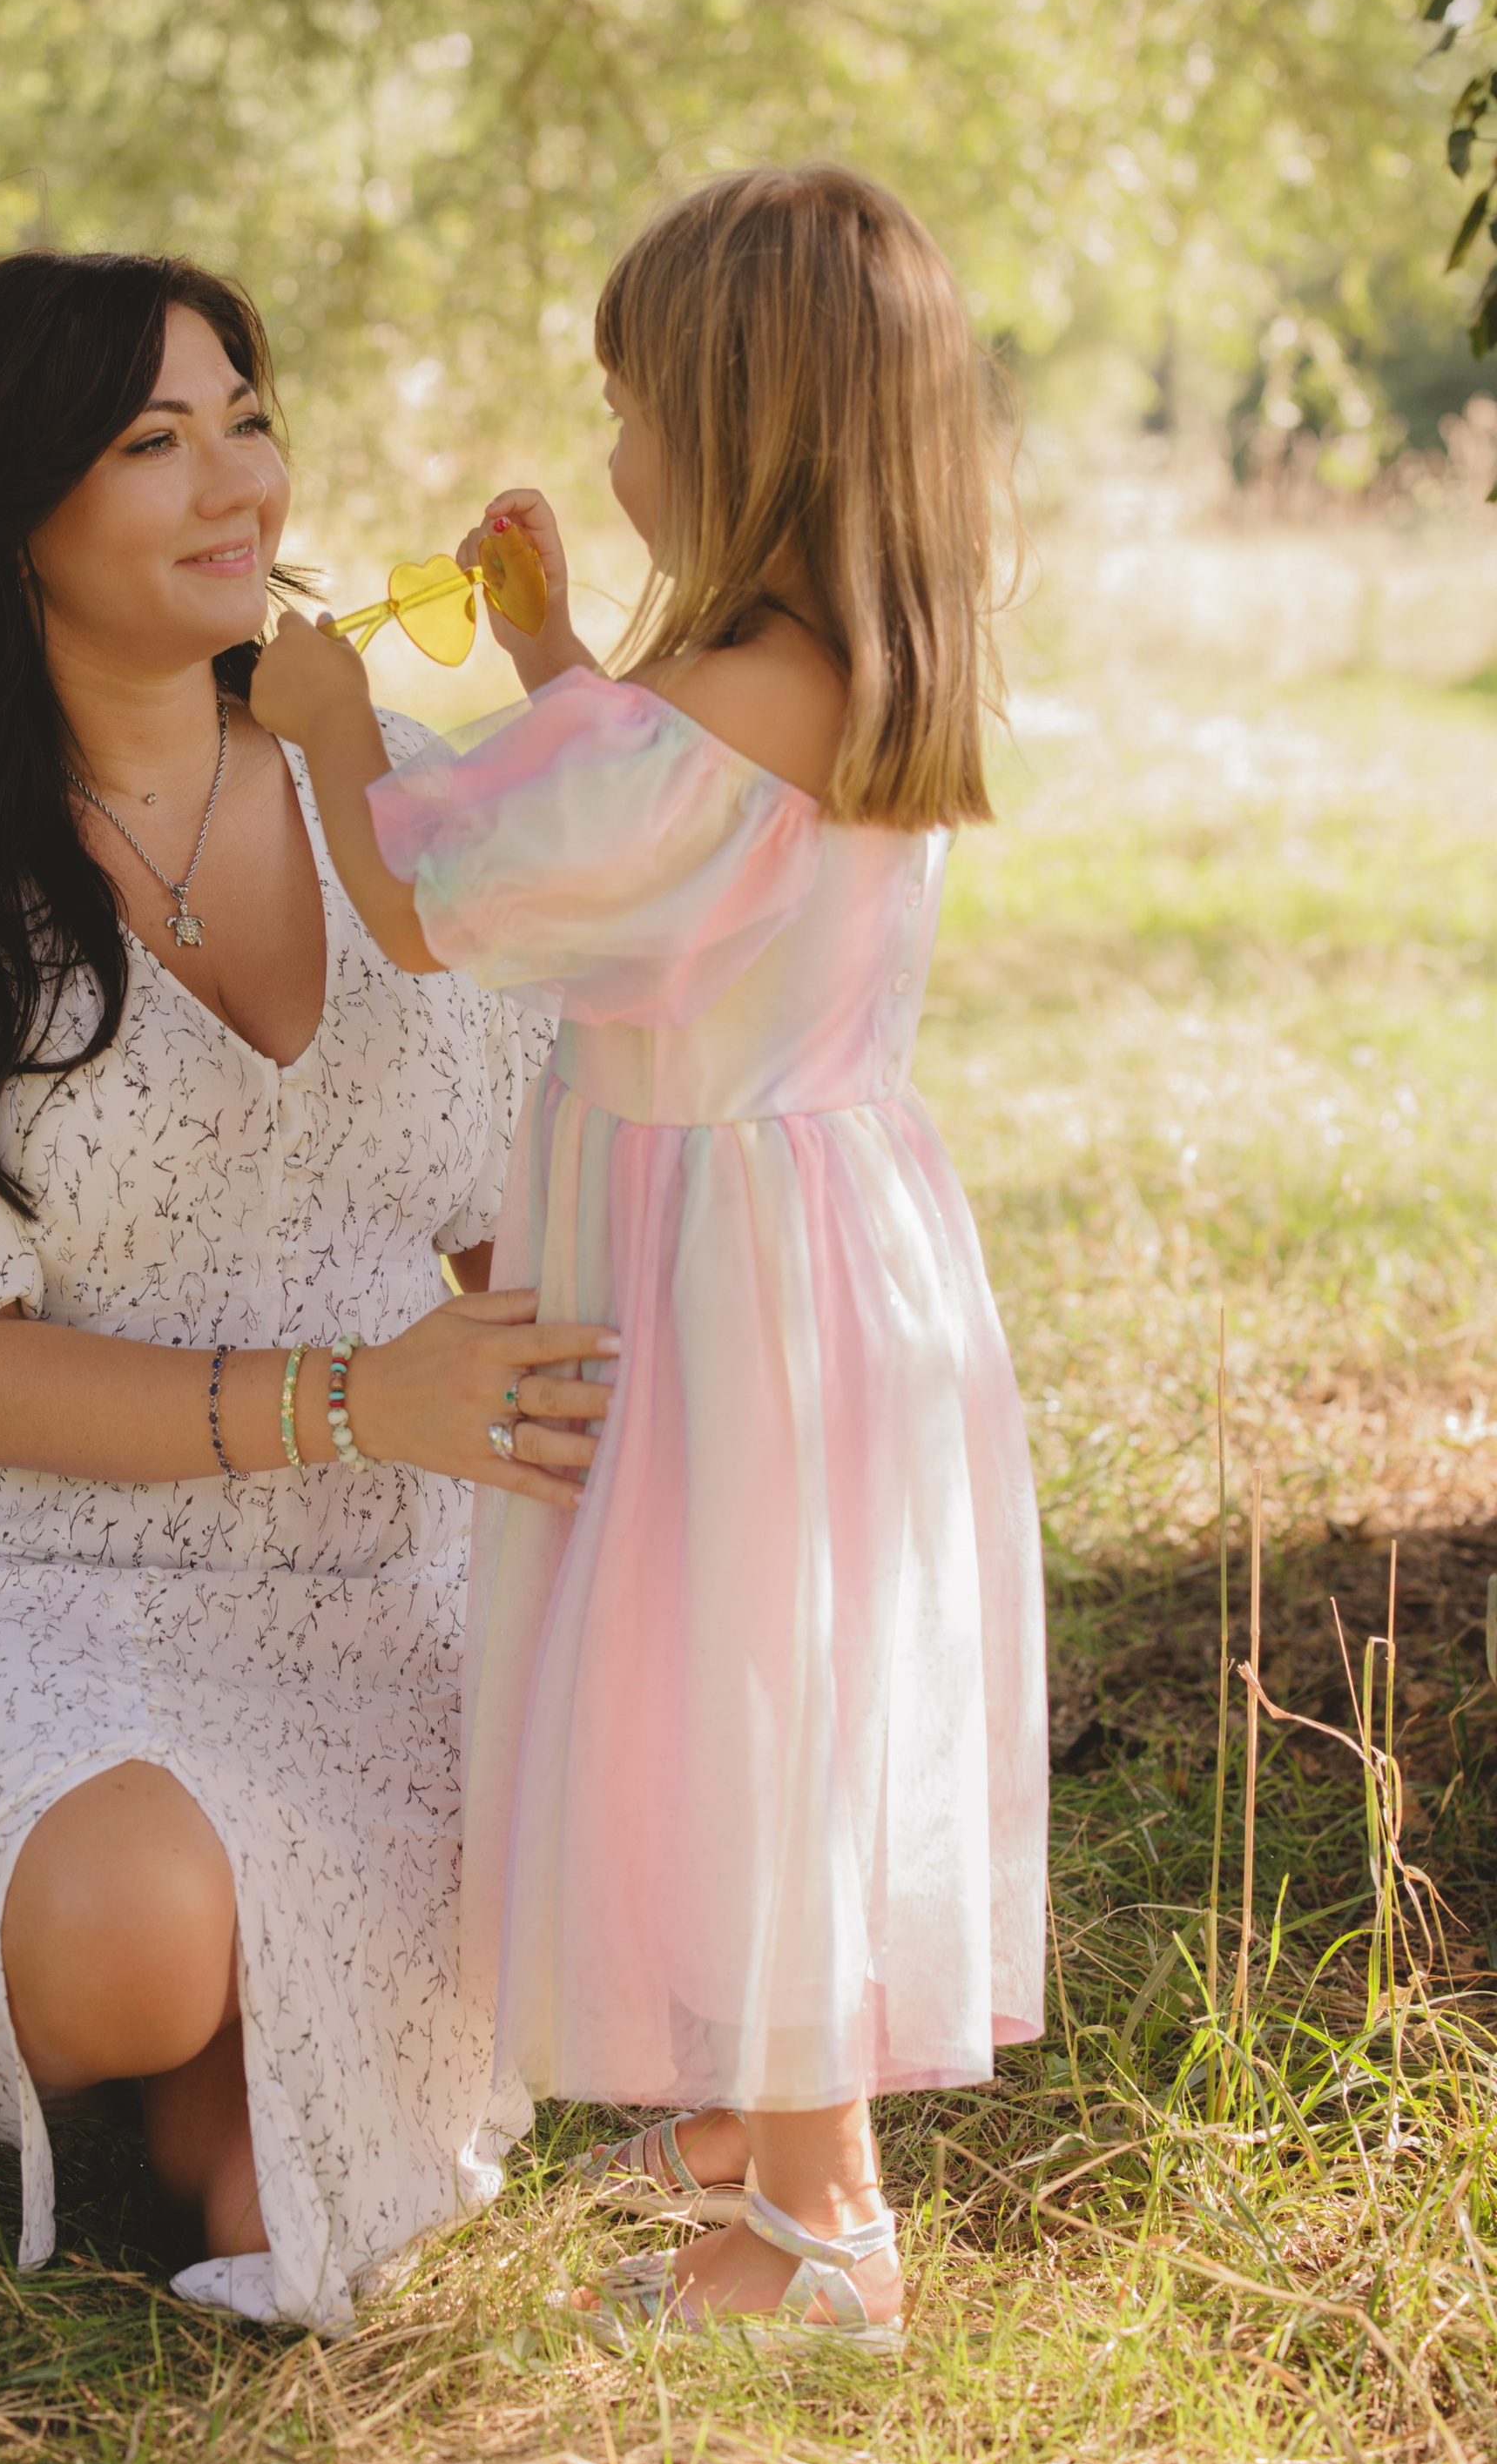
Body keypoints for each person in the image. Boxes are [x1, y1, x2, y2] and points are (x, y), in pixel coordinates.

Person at [0, 249, 617, 2333]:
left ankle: (231, 2105)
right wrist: (342, 1398)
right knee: (138, 1913)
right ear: (10, 510)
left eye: (246, 420)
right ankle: (118, 1978)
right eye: (150, 443)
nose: (239, 487)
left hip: (392, 1580)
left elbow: (511, 1211)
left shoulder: (361, 756)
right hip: (34, 1580)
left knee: (282, 2163)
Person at [249, 165, 1047, 2353]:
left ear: (733, 418)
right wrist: (542, 652)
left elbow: (454, 897)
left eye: (628, 403)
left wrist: (334, 736)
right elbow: (662, 867)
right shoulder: (819, 676)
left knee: (736, 1710)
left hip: (717, 1271)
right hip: (810, 1233)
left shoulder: (724, 703)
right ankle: (759, 2136)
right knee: (762, 1692)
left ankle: (815, 2236)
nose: (606, 446)